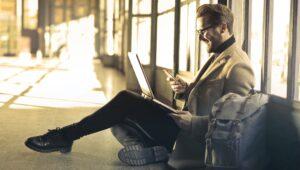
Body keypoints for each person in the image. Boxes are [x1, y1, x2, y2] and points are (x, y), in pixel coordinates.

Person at [25, 4, 254, 168]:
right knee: (117, 120)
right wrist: (187, 88)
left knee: (124, 102)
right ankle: (152, 152)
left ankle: (66, 136)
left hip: (192, 135)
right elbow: (211, 96)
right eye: (198, 32)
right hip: (183, 125)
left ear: (223, 27)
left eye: (203, 30)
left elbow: (234, 125)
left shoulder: (238, 65)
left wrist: (193, 122)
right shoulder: (219, 54)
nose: (200, 37)